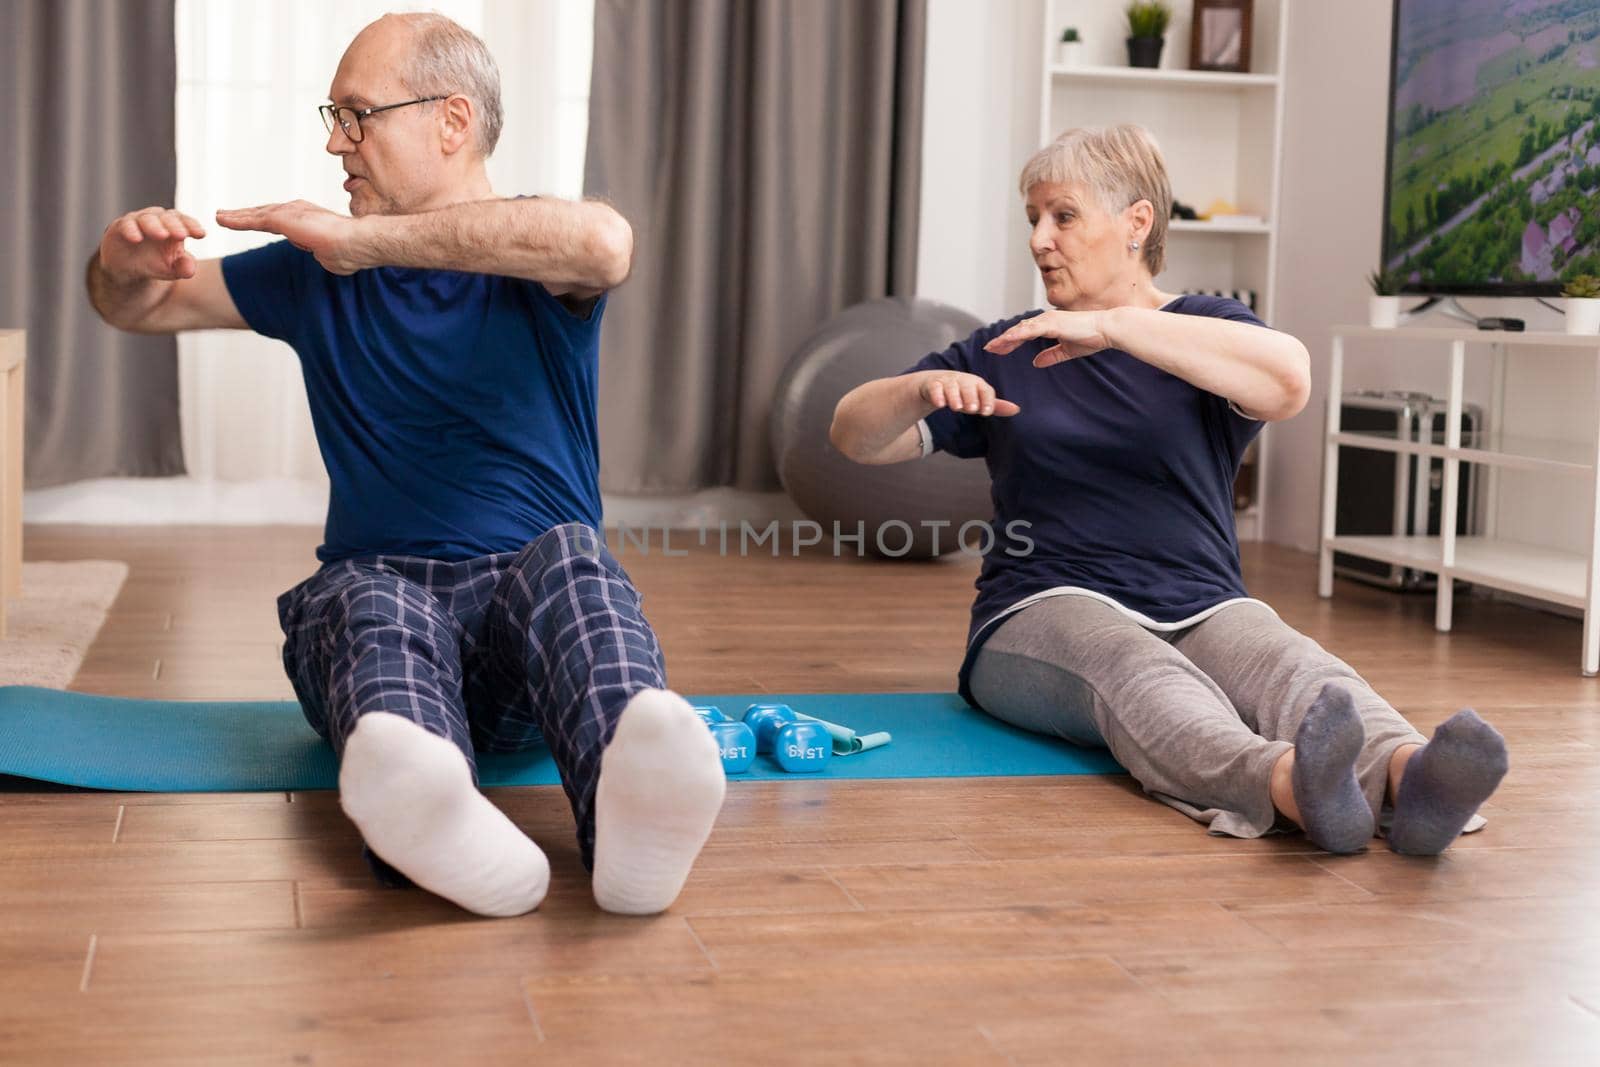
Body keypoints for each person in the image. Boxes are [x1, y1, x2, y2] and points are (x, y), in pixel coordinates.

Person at [85, 13, 725, 916]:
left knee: (571, 560)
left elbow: (606, 245)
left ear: (451, 122)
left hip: (525, 645)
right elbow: (137, 309)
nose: (333, 142)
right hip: (379, 615)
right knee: (360, 593)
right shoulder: (309, 273)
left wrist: (364, 245)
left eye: (356, 116)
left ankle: (632, 817)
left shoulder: (532, 249)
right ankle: (435, 814)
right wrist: (119, 264)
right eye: (333, 116)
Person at [830, 125, 1508, 855]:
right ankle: (1292, 786)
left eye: (1062, 215)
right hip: (1041, 607)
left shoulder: (1207, 332)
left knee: (1292, 663)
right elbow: (852, 435)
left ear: (1137, 222)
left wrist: (1118, 328)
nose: (1039, 239)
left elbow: (1290, 379)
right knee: (1134, 664)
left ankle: (1416, 780)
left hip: (1204, 600)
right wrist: (915, 389)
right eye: (1033, 219)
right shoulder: (1009, 348)